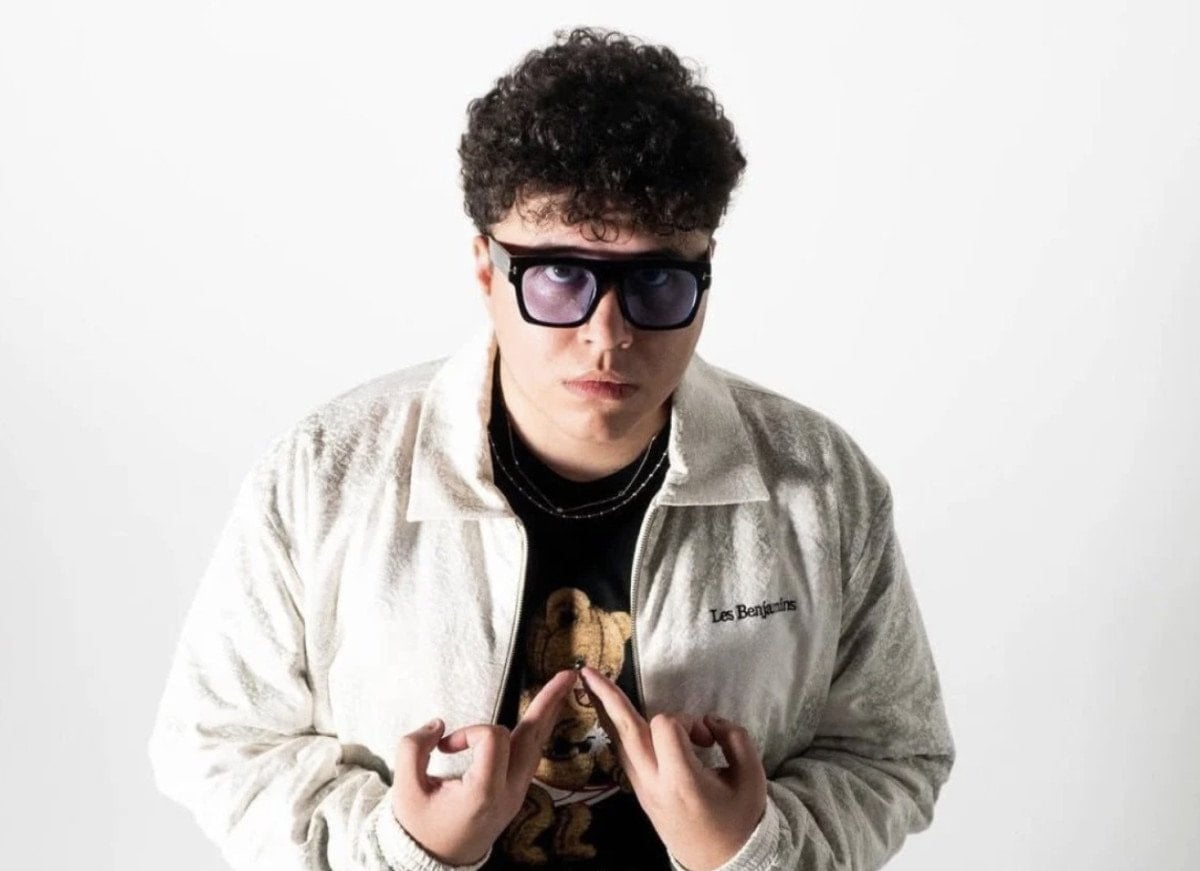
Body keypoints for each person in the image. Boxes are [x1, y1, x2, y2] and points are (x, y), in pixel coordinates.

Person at [148, 26, 955, 871]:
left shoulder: (821, 484)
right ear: (486, 270)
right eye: (561, 275)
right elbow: (216, 740)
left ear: (706, 271)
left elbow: (893, 749)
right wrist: (401, 850)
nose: (608, 334)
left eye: (656, 279)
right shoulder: (324, 474)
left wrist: (748, 852)